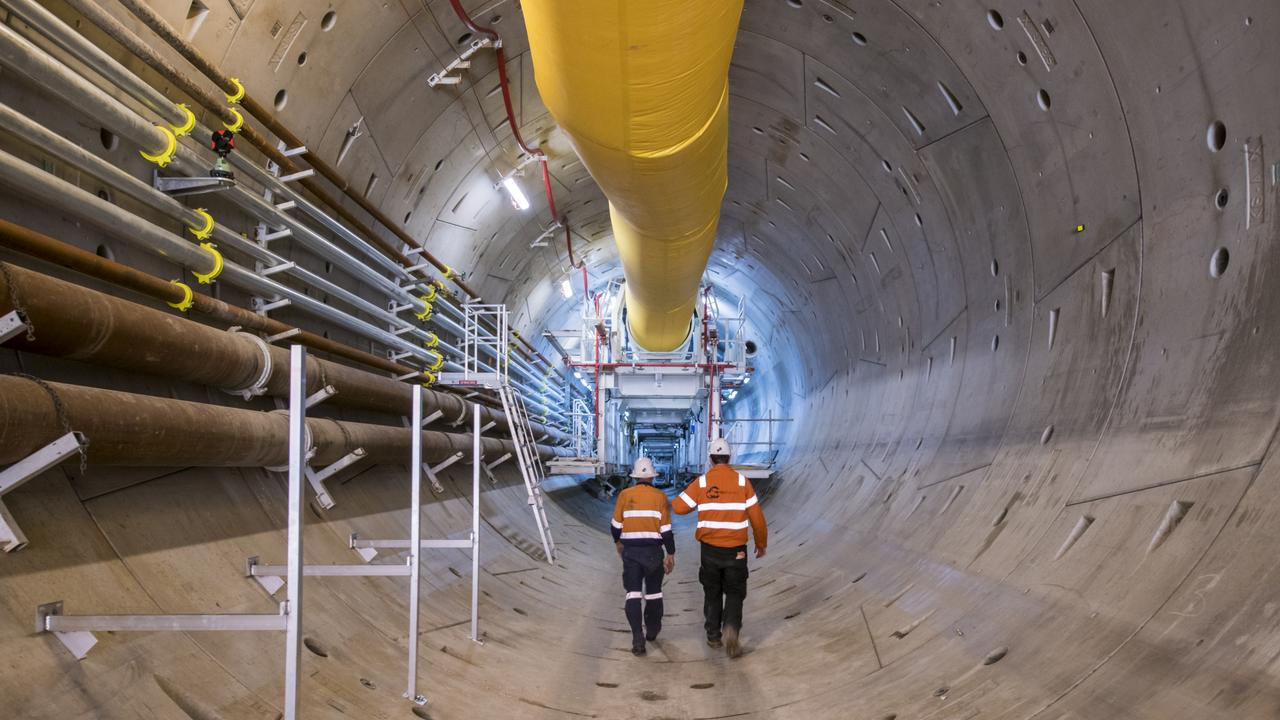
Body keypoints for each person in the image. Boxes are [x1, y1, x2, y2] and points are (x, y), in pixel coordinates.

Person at [672, 438, 767, 658]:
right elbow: (757, 518)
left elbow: (677, 506)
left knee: (712, 591)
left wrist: (701, 502)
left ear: (710, 458)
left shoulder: (703, 483)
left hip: (710, 550)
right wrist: (761, 543)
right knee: (735, 592)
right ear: (729, 457)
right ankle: (731, 628)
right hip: (737, 549)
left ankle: (713, 636)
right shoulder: (743, 482)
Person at [611, 457, 676, 656]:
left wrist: (618, 542)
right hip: (654, 553)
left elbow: (615, 526)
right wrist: (671, 553)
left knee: (633, 594)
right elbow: (666, 530)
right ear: (652, 478)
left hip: (631, 554)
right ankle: (653, 630)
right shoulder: (660, 497)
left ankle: (638, 638)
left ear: (635, 477)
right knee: (654, 593)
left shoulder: (624, 495)